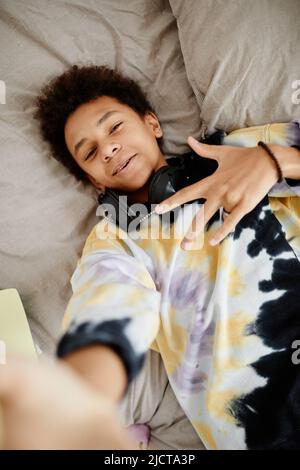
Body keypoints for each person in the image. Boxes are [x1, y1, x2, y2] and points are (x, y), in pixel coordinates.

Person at [2, 64, 300, 449]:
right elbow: (108, 309)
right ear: (95, 180)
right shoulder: (114, 241)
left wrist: (277, 162)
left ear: (152, 124)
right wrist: (82, 394)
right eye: (90, 152)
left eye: (114, 127)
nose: (107, 147)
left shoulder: (237, 151)